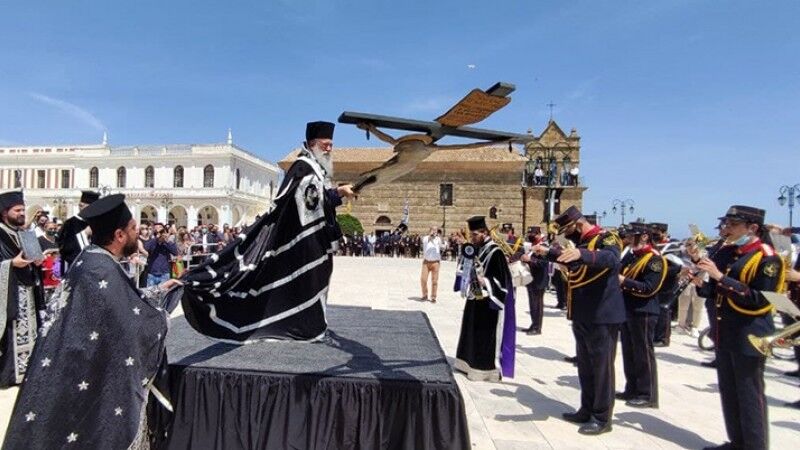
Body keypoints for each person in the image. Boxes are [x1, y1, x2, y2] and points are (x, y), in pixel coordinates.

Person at [2, 193, 180, 449]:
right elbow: (132, 321)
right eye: (133, 229)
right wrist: (161, 316)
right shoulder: (100, 269)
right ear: (119, 236)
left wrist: (160, 288)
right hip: (81, 378)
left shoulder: (93, 258)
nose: (137, 235)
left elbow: (124, 301)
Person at [178, 121, 354, 342]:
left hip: (310, 243)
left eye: (331, 145)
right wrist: (336, 195)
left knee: (313, 282)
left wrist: (337, 192)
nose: (330, 149)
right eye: (326, 144)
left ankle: (311, 324)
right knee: (303, 283)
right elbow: (309, 204)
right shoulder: (303, 168)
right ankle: (305, 327)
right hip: (300, 244)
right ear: (312, 144)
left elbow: (315, 200)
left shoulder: (314, 168)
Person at [691, 206, 784, 450]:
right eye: (727, 224)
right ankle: (736, 442)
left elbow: (761, 299)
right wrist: (701, 282)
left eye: (733, 224)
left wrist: (720, 277)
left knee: (749, 395)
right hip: (726, 331)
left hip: (749, 334)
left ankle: (754, 445)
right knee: (729, 391)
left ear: (752, 228)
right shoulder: (732, 252)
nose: (727, 229)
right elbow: (716, 291)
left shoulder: (767, 257)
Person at [530, 206, 624, 435]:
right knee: (585, 365)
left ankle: (602, 418)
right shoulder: (582, 243)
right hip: (583, 312)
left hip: (602, 314)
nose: (565, 235)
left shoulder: (606, 237)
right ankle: (586, 408)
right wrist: (548, 253)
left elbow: (611, 259)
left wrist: (583, 254)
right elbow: (573, 263)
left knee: (602, 368)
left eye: (566, 230)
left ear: (576, 224)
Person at [454, 216, 515, 382]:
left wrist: (485, 281)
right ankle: (467, 363)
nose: (472, 238)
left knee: (483, 334)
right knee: (470, 329)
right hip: (475, 296)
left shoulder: (495, 252)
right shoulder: (477, 248)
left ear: (484, 232)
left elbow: (502, 280)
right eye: (471, 235)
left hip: (488, 300)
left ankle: (483, 369)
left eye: (474, 235)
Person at [616, 222, 666, 408]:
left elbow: (649, 288)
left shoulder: (654, 259)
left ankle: (647, 394)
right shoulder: (631, 256)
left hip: (644, 311)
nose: (628, 239)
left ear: (644, 236)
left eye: (632, 236)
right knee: (629, 351)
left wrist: (623, 281)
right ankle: (632, 388)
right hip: (628, 308)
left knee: (643, 353)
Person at [0, 191, 46, 387]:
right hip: (8, 293)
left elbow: (34, 259)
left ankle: (26, 372)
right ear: (4, 213)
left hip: (28, 291)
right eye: (17, 210)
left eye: (23, 210)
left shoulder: (25, 234)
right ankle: (9, 375)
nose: (22, 213)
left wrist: (38, 261)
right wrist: (10, 264)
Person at [56, 190, 100, 274]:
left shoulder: (98, 223)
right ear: (81, 206)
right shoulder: (70, 224)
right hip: (75, 270)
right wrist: (84, 234)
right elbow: (65, 248)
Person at [520, 226, 548, 335]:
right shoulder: (531, 245)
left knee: (538, 305)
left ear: (538, 234)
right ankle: (533, 324)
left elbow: (543, 263)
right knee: (532, 303)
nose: (530, 236)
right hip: (531, 278)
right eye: (529, 234)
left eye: (532, 234)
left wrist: (530, 260)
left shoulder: (543, 246)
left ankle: (537, 327)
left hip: (539, 279)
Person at [420, 226, 442, 302]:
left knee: (435, 281)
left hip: (436, 262)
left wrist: (438, 238)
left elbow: (441, 246)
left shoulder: (438, 239)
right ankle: (425, 294)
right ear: (430, 230)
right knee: (423, 279)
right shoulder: (426, 238)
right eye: (433, 230)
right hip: (426, 262)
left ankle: (433, 296)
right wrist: (430, 235)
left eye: (436, 230)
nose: (434, 231)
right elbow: (426, 241)